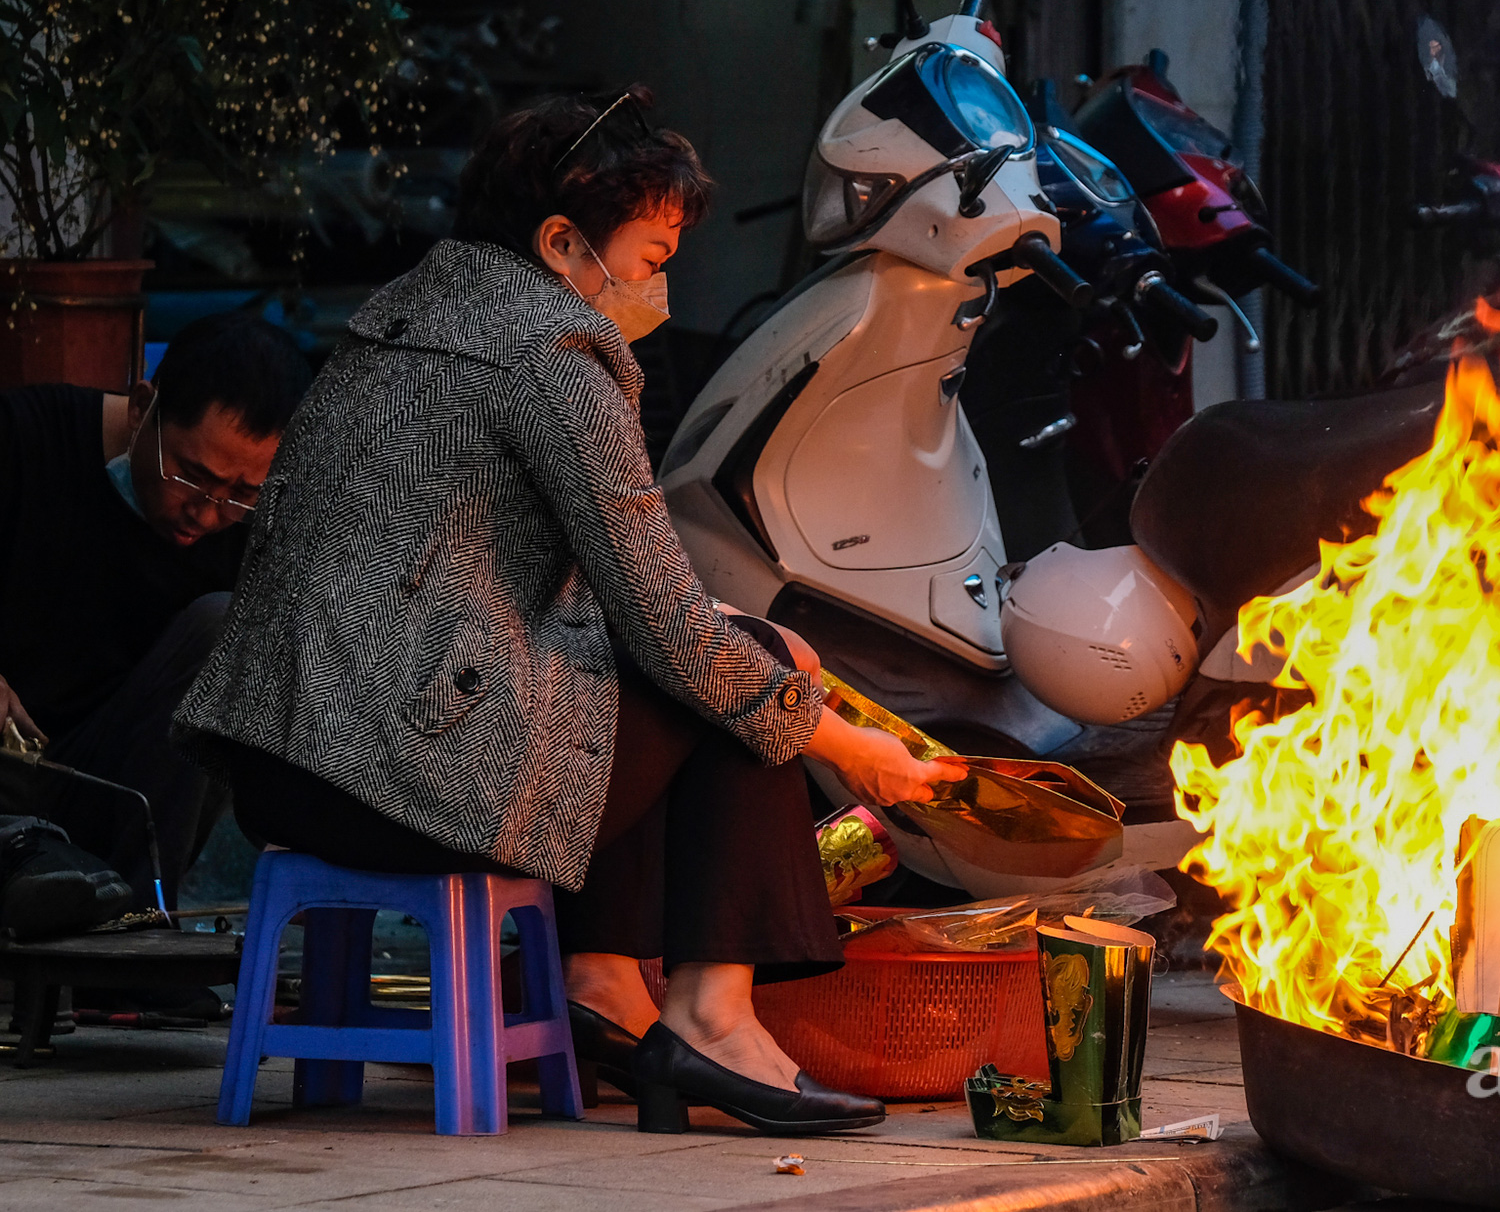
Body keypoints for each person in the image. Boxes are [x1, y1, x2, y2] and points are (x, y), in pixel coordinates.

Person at [173, 86, 966, 1136]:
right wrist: (847, 746)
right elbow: (677, 637)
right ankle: (712, 1013)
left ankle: (603, 986)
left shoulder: (403, 314)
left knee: (671, 665)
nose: (660, 287)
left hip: (282, 771)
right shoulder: (553, 352)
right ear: (561, 243)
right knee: (744, 668)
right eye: (648, 257)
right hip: (396, 778)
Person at [0, 312, 311, 918]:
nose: (207, 512)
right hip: (7, 771)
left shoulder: (251, 524)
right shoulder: (24, 438)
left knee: (229, 628)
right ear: (143, 408)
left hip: (110, 788)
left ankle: (137, 927)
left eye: (242, 494)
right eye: (191, 477)